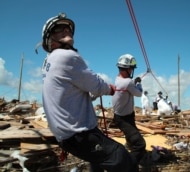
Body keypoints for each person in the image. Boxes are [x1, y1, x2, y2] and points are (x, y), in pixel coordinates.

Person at [41, 13, 137, 172]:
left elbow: (72, 92)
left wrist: (95, 92)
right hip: (78, 133)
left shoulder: (47, 62)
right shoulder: (68, 56)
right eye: (59, 28)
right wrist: (108, 89)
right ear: (49, 38)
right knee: (123, 159)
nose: (67, 31)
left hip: (64, 136)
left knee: (97, 161)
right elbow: (96, 84)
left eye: (68, 28)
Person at [112, 54, 147, 168]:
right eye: (131, 68)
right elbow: (139, 93)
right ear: (127, 69)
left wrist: (134, 82)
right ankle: (128, 166)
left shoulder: (118, 80)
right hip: (124, 119)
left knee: (131, 138)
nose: (132, 70)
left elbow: (129, 85)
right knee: (140, 144)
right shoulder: (127, 83)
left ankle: (128, 149)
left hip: (124, 116)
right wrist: (139, 83)